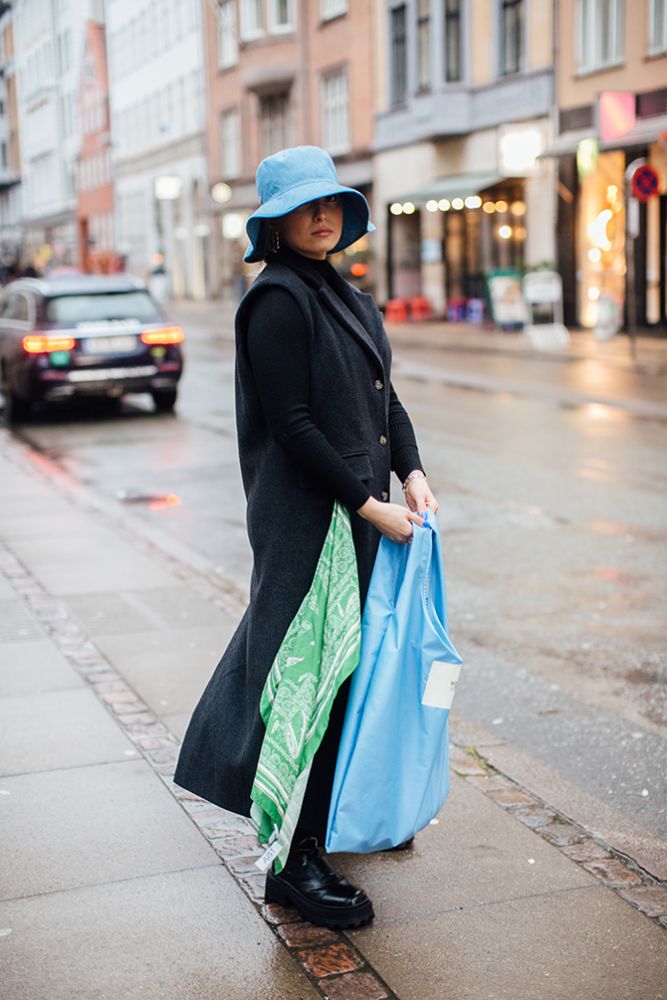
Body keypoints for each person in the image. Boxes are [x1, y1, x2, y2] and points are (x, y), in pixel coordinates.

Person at [174, 146, 439, 929]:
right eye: (304, 207)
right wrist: (368, 502)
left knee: (341, 671)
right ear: (276, 223)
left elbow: (382, 395)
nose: (322, 217)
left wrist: (413, 471)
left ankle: (328, 818)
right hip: (310, 522)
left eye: (331, 205)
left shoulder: (343, 294)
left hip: (350, 517)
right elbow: (291, 427)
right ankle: (291, 865)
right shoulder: (278, 301)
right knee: (303, 682)